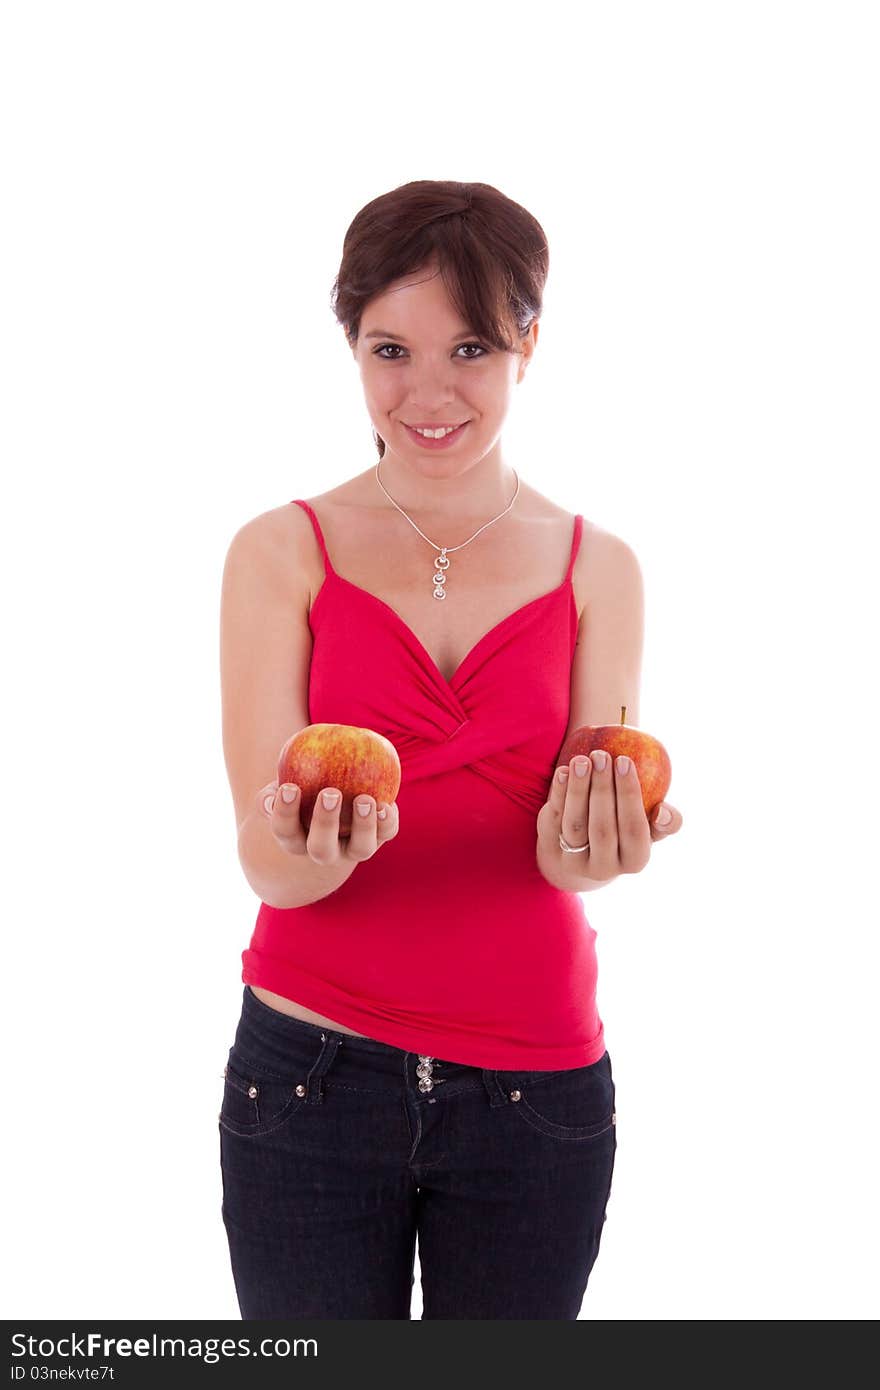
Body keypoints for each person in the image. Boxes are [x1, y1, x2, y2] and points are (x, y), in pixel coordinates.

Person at [217, 179, 683, 1320]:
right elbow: (266, 864)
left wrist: (608, 846)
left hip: (538, 1092)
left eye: (469, 346)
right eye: (391, 349)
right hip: (307, 1080)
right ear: (352, 348)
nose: (427, 393)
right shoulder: (281, 551)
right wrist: (317, 848)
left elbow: (565, 862)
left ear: (530, 340)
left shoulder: (598, 566)